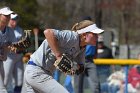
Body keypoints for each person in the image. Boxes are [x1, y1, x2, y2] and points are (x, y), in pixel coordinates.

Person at [24, 20, 104, 93]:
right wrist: (59, 56)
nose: (97, 37)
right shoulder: (72, 36)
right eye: (94, 34)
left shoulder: (82, 47)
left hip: (40, 73)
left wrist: (74, 67)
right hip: (37, 71)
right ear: (84, 35)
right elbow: (48, 32)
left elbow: (80, 68)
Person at [74, 16, 100, 93]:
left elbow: (96, 44)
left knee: (95, 85)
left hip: (89, 60)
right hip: (78, 60)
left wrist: (95, 54)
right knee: (78, 86)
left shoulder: (93, 33)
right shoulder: (80, 33)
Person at [3, 13, 25, 93]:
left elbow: (22, 42)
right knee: (5, 79)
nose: (14, 22)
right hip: (8, 57)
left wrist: (23, 47)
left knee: (19, 80)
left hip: (18, 56)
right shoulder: (4, 29)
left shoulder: (20, 30)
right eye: (12, 20)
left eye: (16, 20)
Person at [0, 7, 15, 93]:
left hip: (1, 61)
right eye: (5, 15)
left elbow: (8, 45)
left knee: (3, 85)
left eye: (9, 15)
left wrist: (6, 54)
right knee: (2, 89)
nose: (8, 17)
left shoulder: (9, 31)